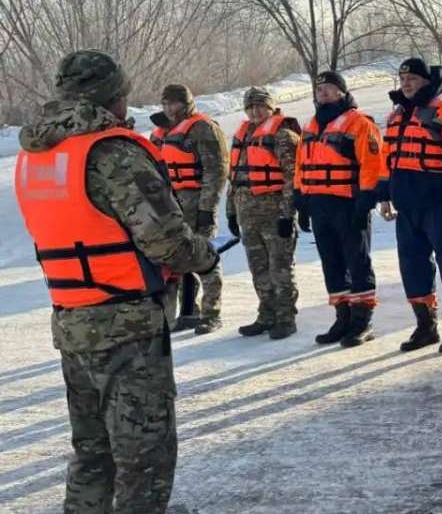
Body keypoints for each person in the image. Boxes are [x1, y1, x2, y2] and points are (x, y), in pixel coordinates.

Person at [16, 50, 218, 513]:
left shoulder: (36, 154)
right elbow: (168, 244)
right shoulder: (113, 153)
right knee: (143, 459)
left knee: (92, 453)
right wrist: (205, 258)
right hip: (127, 327)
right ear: (112, 96)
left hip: (71, 321)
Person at [379, 58, 442, 353]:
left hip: (438, 204)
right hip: (406, 206)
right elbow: (386, 159)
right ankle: (426, 326)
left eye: (412, 78)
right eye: (402, 79)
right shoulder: (396, 115)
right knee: (412, 266)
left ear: (426, 81)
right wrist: (384, 196)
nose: (406, 83)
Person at [295, 70, 385, 348]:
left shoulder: (359, 123)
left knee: (357, 261)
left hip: (348, 203)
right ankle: (343, 317)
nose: (322, 92)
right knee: (331, 263)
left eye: (328, 87)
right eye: (318, 88)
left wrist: (366, 199)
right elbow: (301, 164)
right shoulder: (311, 125)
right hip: (318, 203)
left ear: (341, 92)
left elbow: (372, 163)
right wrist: (300, 199)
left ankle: (362, 321)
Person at [149, 84, 228, 334]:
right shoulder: (160, 133)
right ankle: (189, 310)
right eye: (165, 104)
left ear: (187, 104)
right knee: (178, 258)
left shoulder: (203, 128)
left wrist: (207, 208)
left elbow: (216, 171)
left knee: (204, 257)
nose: (169, 109)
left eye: (174, 103)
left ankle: (212, 313)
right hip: (170, 205)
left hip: (197, 201)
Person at [227, 87, 302, 340]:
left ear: (271, 107)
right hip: (247, 214)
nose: (255, 111)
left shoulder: (283, 136)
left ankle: (285, 317)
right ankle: (266, 314)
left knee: (280, 267)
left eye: (260, 106)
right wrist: (230, 212)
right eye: (250, 107)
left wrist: (287, 215)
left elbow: (293, 178)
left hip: (274, 213)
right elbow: (234, 176)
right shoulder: (243, 135)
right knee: (258, 268)